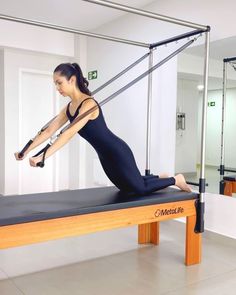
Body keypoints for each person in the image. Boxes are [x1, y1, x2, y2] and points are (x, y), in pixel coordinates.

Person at [15, 62, 191, 195]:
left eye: (59, 83)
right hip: (104, 155)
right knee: (125, 187)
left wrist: (42, 156)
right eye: (55, 84)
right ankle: (158, 177)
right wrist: (25, 151)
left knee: (137, 188)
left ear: (72, 80)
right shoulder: (69, 107)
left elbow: (68, 134)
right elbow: (48, 131)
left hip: (117, 151)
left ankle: (175, 179)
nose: (57, 88)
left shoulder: (88, 104)